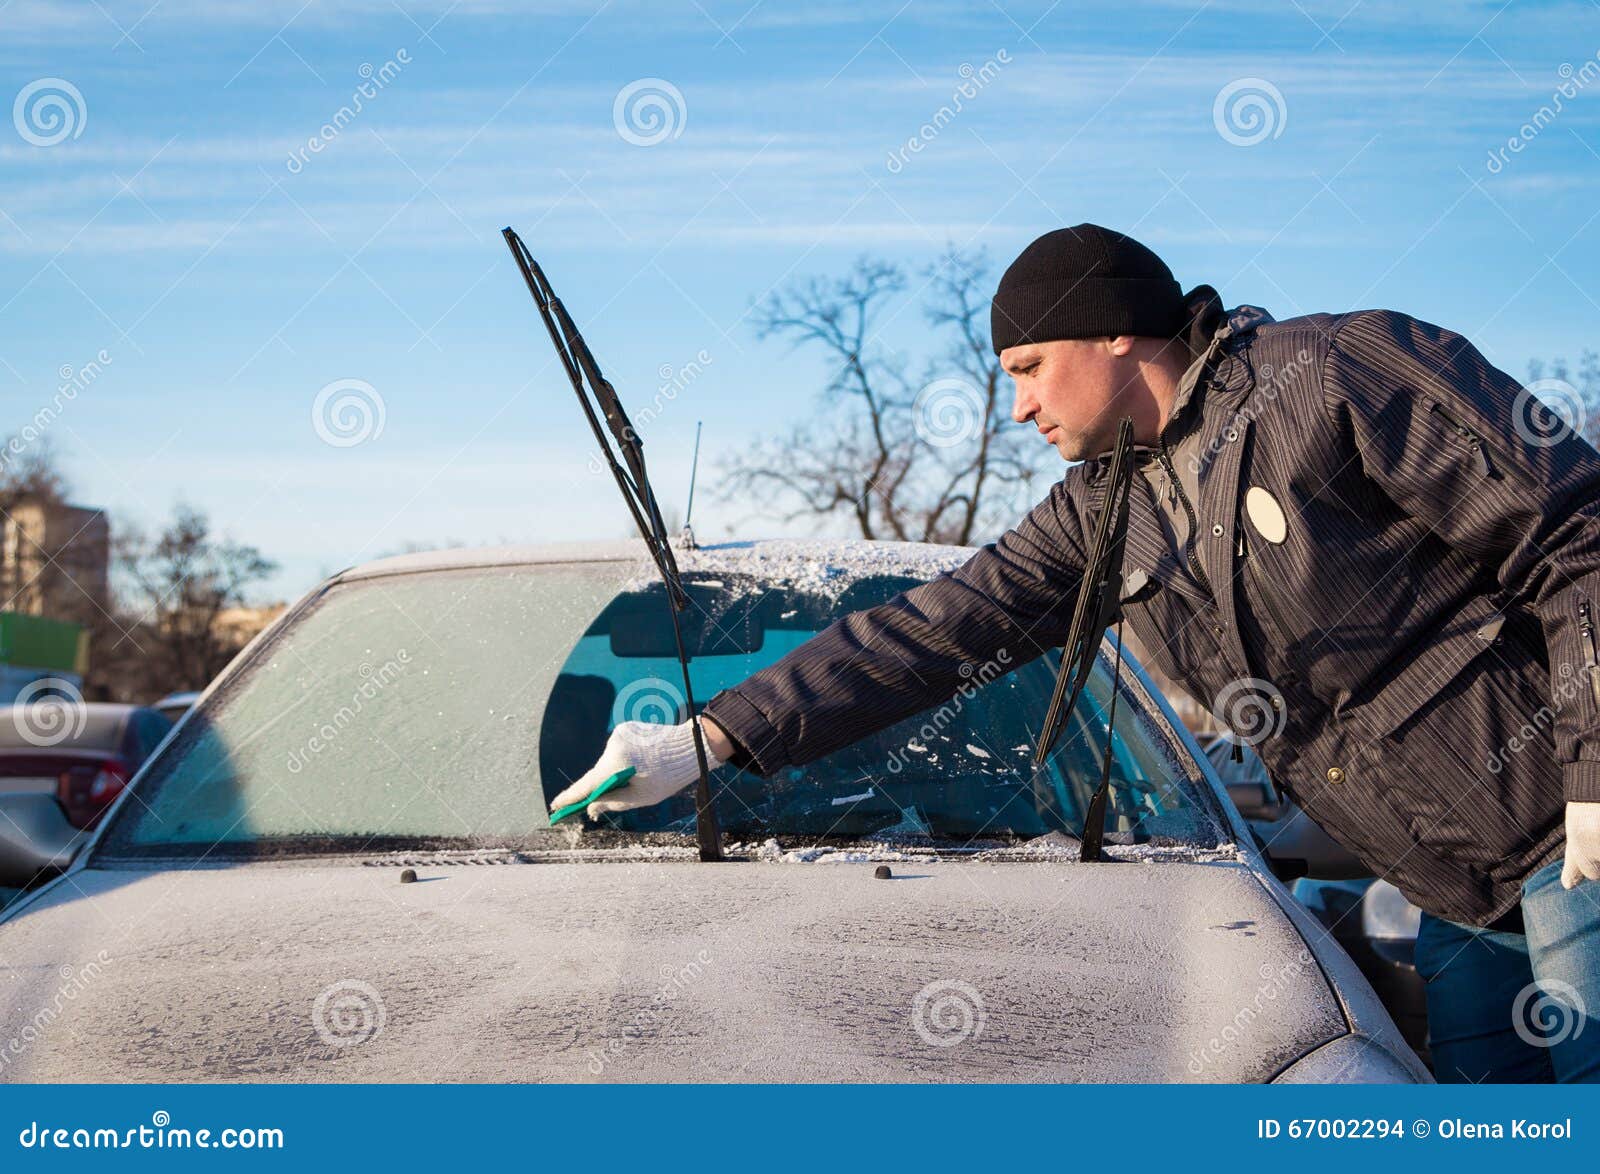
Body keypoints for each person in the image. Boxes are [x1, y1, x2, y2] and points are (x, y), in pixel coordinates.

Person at [551, 224, 1600, 1083]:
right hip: (1460, 893)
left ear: (1110, 336)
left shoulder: (1333, 375)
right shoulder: (1102, 513)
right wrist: (716, 735)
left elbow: (1577, 534)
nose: (1016, 407)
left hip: (1573, 839)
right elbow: (929, 632)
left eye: (1027, 368)